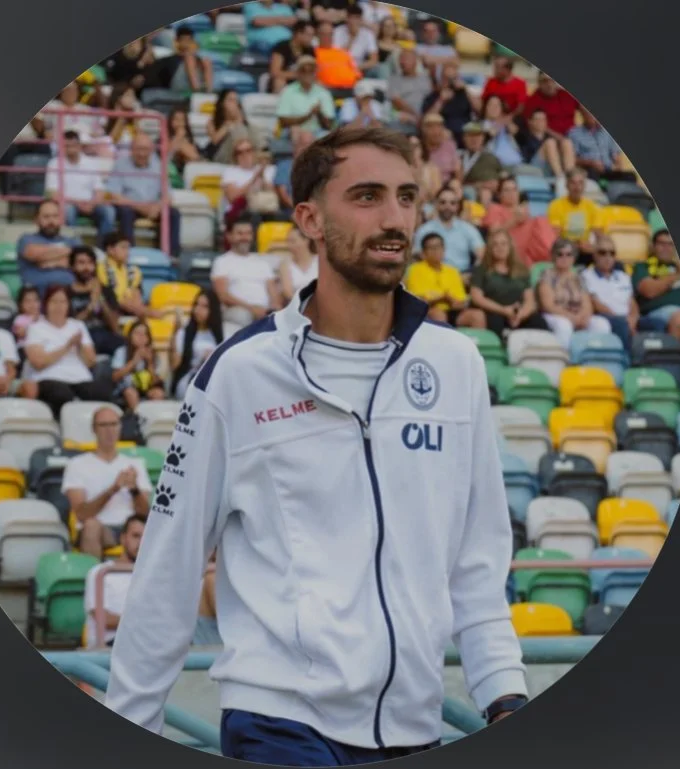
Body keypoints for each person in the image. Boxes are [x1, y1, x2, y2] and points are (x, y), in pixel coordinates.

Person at [105, 126, 529, 762]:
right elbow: (168, 570)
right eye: (366, 196)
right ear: (309, 218)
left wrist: (504, 693)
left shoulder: (457, 363)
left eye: (406, 197)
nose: (394, 219)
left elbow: (478, 560)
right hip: (279, 722)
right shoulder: (238, 374)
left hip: (416, 725)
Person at [62, 406, 152, 559]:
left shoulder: (135, 464)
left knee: (143, 529)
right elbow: (82, 514)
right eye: (103, 425)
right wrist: (113, 489)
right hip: (100, 529)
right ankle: (94, 580)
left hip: (130, 528)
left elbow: (145, 514)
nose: (109, 430)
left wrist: (134, 490)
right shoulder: (77, 464)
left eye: (114, 424)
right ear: (94, 429)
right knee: (91, 526)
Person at [23, 285, 112, 418]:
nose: (59, 306)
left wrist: (80, 346)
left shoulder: (78, 326)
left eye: (63, 302)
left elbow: (91, 361)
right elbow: (38, 362)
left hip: (79, 378)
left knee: (102, 393)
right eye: (54, 301)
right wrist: (67, 346)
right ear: (46, 304)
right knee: (62, 394)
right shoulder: (36, 328)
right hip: (49, 377)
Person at [106, 132, 181, 258]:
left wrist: (157, 207)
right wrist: (141, 207)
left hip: (152, 207)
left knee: (173, 213)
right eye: (138, 149)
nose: (142, 154)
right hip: (130, 205)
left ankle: (169, 256)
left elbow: (168, 195)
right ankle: (129, 254)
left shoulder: (159, 166)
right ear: (131, 149)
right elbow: (115, 195)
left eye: (145, 149)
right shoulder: (120, 165)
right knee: (125, 212)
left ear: (151, 150)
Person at [470, 228, 549, 338]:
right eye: (495, 244)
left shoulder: (522, 270)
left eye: (504, 244)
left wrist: (520, 315)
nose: (500, 248)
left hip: (518, 313)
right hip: (493, 312)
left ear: (510, 246)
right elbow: (476, 298)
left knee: (539, 323)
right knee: (495, 321)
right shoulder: (481, 270)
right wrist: (504, 311)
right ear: (490, 248)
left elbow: (530, 301)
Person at [83, 514, 146, 648]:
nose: (141, 543)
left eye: (147, 537)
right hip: (110, 645)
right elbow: (103, 619)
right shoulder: (99, 572)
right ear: (123, 539)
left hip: (143, 643)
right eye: (136, 536)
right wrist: (142, 623)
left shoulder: (153, 575)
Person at [210, 215, 282, 334]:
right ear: (229, 236)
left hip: (264, 310)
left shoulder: (263, 263)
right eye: (240, 233)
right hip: (238, 311)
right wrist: (252, 309)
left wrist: (273, 309)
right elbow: (223, 296)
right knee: (244, 316)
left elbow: (274, 294)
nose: (245, 237)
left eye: (248, 233)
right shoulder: (222, 262)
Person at [536, 239, 612, 349]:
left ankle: (593, 359)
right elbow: (548, 305)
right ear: (553, 256)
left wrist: (583, 317)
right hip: (555, 315)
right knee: (564, 325)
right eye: (560, 254)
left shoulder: (579, 277)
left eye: (568, 254)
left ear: (574, 257)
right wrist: (570, 317)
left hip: (577, 315)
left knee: (602, 324)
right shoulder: (546, 276)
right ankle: (564, 360)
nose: (564, 258)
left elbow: (587, 303)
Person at [44, 130, 116, 245]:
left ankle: (104, 248)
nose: (70, 148)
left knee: (109, 211)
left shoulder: (91, 163)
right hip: (69, 204)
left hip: (90, 204)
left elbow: (99, 190)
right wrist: (78, 203)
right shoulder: (54, 163)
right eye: (67, 146)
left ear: (79, 145)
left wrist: (92, 203)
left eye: (73, 145)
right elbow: (53, 194)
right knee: (68, 210)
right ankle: (75, 246)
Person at [404, 233, 485, 327]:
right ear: (423, 253)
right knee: (438, 315)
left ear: (444, 249)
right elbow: (418, 301)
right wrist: (442, 298)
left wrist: (453, 301)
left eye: (439, 247)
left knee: (477, 315)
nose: (436, 251)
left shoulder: (452, 271)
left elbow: (461, 302)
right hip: (428, 312)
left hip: (452, 311)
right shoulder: (415, 270)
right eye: (431, 248)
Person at [633, 229, 680, 343]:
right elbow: (649, 291)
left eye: (671, 244)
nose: (666, 248)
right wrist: (678, 274)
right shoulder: (644, 266)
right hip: (660, 311)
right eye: (662, 244)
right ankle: (675, 358)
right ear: (653, 246)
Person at [481, 175, 558, 266]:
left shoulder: (526, 211)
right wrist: (514, 220)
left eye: (514, 189)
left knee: (541, 221)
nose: (511, 193)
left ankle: (556, 255)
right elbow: (493, 234)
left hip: (532, 251)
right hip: (510, 250)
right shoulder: (495, 209)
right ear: (499, 194)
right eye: (507, 190)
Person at [581, 235, 639, 352]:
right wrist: (622, 320)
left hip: (627, 319)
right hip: (605, 317)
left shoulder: (623, 277)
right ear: (595, 255)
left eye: (612, 253)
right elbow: (595, 304)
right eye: (603, 253)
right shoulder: (586, 276)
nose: (608, 257)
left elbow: (632, 303)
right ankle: (628, 360)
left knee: (657, 323)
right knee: (621, 324)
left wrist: (633, 319)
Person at [413, 186, 485, 277]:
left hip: (463, 276)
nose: (448, 206)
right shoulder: (424, 230)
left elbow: (482, 254)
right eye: (443, 202)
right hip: (431, 277)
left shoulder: (467, 229)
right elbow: (416, 257)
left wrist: (473, 275)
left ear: (457, 206)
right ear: (436, 204)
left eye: (452, 203)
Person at [69, 246, 125, 356]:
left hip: (105, 336)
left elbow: (115, 326)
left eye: (90, 263)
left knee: (123, 345)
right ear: (72, 267)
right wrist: (91, 305)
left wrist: (100, 298)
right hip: (79, 338)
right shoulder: (66, 292)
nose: (86, 267)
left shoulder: (105, 290)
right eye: (81, 263)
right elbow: (69, 327)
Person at [16, 200, 81, 294]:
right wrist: (67, 254)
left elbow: (79, 263)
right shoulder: (27, 239)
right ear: (36, 219)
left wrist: (50, 262)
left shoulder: (71, 240)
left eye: (55, 216)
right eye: (46, 217)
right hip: (36, 298)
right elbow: (35, 254)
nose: (51, 221)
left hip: (70, 297)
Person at [170, 289, 224, 399]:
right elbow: (175, 366)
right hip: (190, 379)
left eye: (204, 306)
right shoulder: (183, 333)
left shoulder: (223, 334)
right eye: (196, 305)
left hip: (215, 379)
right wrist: (174, 336)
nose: (198, 310)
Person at [96, 233, 162, 321]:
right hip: (111, 308)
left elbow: (137, 292)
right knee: (154, 315)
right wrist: (141, 310)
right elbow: (108, 294)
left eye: (128, 248)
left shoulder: (134, 270)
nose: (127, 251)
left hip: (132, 309)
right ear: (110, 250)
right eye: (123, 247)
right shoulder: (101, 268)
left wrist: (137, 306)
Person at [547, 168, 604, 265]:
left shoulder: (591, 206)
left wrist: (595, 247)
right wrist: (576, 245)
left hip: (585, 250)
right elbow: (555, 236)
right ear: (566, 185)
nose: (577, 187)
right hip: (564, 249)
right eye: (573, 183)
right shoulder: (555, 206)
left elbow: (599, 234)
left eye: (580, 183)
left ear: (584, 186)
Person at [276, 55, 336, 138]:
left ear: (316, 72)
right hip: (293, 131)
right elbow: (283, 121)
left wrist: (319, 113)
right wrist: (308, 116)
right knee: (298, 133)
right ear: (297, 72)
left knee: (327, 136)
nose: (307, 73)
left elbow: (329, 125)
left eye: (311, 70)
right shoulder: (288, 91)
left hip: (318, 132)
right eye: (303, 70)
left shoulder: (324, 92)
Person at [111, 320, 166, 410]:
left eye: (144, 334)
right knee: (130, 393)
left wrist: (150, 363)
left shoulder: (153, 354)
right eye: (137, 333)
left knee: (158, 393)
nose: (141, 337)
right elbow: (115, 377)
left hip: (146, 388)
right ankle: (138, 419)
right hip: (125, 388)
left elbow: (155, 382)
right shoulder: (122, 351)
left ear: (148, 338)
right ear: (130, 336)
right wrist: (134, 361)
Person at [206, 89, 265, 165]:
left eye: (236, 100)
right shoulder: (212, 122)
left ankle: (261, 153)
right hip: (222, 153)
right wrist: (230, 124)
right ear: (222, 103)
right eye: (230, 100)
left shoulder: (241, 120)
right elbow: (215, 140)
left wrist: (239, 121)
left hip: (240, 150)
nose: (234, 103)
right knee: (238, 129)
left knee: (253, 129)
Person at [516, 108, 575, 178]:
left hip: (550, 165)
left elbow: (563, 140)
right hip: (533, 166)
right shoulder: (523, 135)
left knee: (567, 142)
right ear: (530, 121)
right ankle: (560, 178)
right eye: (538, 119)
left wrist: (547, 130)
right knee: (550, 143)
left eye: (543, 119)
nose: (541, 122)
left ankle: (571, 177)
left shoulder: (548, 136)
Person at [522, 72, 579, 138]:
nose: (549, 84)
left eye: (552, 80)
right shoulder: (532, 101)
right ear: (539, 83)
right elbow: (534, 125)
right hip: (550, 138)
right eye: (545, 81)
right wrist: (559, 137)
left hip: (574, 134)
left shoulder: (566, 95)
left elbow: (584, 110)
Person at [268, 19, 316, 94]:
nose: (311, 39)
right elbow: (274, 72)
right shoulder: (281, 47)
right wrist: (297, 75)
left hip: (303, 81)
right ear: (298, 34)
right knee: (279, 81)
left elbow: (312, 70)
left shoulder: (310, 50)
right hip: (286, 81)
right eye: (309, 35)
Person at [332, 4, 379, 73]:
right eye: (351, 18)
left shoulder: (368, 34)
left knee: (379, 69)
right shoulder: (337, 31)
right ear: (346, 18)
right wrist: (352, 37)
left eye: (357, 18)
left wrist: (356, 67)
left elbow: (374, 60)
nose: (353, 21)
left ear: (361, 19)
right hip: (340, 65)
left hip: (360, 68)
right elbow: (337, 57)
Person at [278, 225, 319, 303]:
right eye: (288, 241)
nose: (289, 245)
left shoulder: (319, 261)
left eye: (293, 241)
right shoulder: (285, 264)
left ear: (306, 240)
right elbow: (287, 292)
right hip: (296, 305)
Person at [12, 286, 42, 354]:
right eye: (28, 301)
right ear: (20, 304)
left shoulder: (43, 318)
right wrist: (33, 320)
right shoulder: (19, 318)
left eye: (35, 300)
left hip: (42, 347)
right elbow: (21, 333)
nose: (32, 304)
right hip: (25, 349)